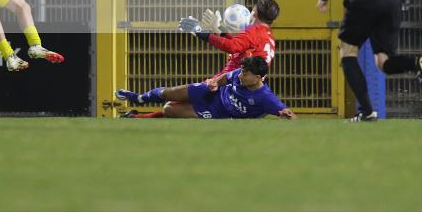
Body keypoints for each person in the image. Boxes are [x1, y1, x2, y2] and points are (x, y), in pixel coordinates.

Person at [130, 0, 280, 119]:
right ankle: (139, 115)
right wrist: (219, 29)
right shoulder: (267, 37)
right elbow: (240, 49)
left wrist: (200, 32)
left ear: (254, 13)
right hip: (240, 84)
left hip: (231, 85)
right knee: (174, 105)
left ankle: (138, 104)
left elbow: (233, 46)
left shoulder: (253, 32)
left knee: (173, 104)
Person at [116, 56, 296, 120]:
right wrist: (216, 82)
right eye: (242, 71)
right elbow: (227, 76)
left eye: (246, 73)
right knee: (167, 93)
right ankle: (138, 98)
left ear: (257, 78)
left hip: (217, 112)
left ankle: (136, 117)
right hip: (211, 93)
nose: (241, 75)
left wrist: (287, 115)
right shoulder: (239, 76)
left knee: (169, 109)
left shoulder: (265, 97)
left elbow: (288, 113)